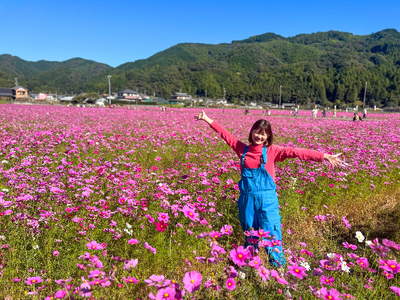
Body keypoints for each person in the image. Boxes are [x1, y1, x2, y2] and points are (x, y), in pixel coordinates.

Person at [194, 111, 342, 267]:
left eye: (264, 134)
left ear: (268, 136)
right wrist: (206, 119)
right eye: (257, 132)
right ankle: (250, 268)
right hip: (247, 201)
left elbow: (296, 152)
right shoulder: (242, 150)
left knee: (272, 234)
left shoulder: (272, 151)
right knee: (250, 235)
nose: (259, 136)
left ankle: (279, 271)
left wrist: (324, 156)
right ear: (251, 132)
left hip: (268, 201)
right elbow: (226, 135)